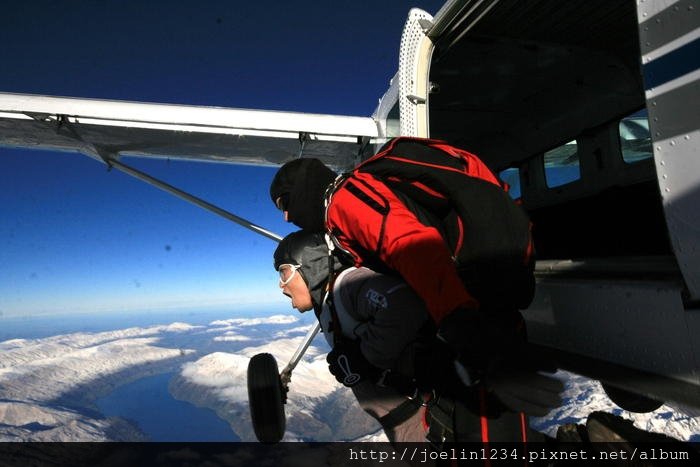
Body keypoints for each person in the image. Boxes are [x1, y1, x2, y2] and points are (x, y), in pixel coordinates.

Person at [269, 137, 538, 385]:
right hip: (476, 303)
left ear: (304, 187)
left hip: (476, 314)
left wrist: (459, 323)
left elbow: (411, 245)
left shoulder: (345, 199)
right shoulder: (341, 209)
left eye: (285, 203)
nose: (286, 217)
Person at [272, 230, 562, 444]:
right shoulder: (329, 303)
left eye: (284, 273)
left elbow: (403, 304)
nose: (281, 285)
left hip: (423, 411)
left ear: (308, 266)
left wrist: (365, 357)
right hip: (406, 417)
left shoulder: (347, 284)